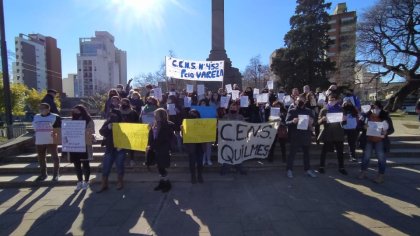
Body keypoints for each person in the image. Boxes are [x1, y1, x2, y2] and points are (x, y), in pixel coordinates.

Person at [358, 101, 391, 183]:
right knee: (366, 156)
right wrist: (363, 127)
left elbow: (391, 129)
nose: (375, 109)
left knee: (381, 157)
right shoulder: (366, 116)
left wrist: (386, 132)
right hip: (368, 139)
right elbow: (358, 126)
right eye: (373, 107)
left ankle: (381, 175)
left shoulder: (385, 116)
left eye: (377, 108)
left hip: (380, 140)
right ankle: (363, 172)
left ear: (380, 108)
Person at [285, 94, 317, 178]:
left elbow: (314, 122)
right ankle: (289, 170)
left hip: (306, 135)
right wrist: (293, 121)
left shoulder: (309, 111)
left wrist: (312, 122)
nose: (300, 102)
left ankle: (307, 170)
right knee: (292, 154)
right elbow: (286, 122)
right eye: (298, 100)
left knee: (306, 154)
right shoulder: (292, 111)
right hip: (295, 136)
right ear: (295, 101)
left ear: (305, 101)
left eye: (302, 100)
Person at [318, 93, 348, 175]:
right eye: (330, 100)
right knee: (324, 151)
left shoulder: (341, 109)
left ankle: (341, 167)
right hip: (328, 133)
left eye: (333, 100)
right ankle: (321, 166)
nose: (331, 101)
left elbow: (344, 123)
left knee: (340, 152)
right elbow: (318, 122)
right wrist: (322, 119)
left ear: (337, 100)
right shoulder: (324, 109)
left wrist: (344, 119)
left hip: (338, 134)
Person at [97, 109, 126, 192]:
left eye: (114, 115)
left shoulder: (123, 122)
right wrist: (108, 127)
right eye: (111, 115)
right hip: (109, 147)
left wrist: (123, 145)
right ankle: (104, 183)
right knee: (106, 166)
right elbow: (101, 132)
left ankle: (120, 182)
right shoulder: (108, 122)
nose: (112, 116)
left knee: (120, 166)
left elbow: (129, 135)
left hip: (120, 148)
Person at [147, 108, 175, 192]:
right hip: (154, 149)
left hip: (163, 149)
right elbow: (151, 136)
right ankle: (162, 182)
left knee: (162, 167)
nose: (155, 116)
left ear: (161, 115)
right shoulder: (154, 124)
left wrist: (168, 147)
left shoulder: (169, 124)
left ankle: (167, 183)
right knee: (159, 167)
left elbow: (169, 138)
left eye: (156, 114)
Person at [32, 103, 62, 181]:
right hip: (39, 140)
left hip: (51, 140)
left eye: (43, 108)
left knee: (55, 157)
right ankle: (43, 174)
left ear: (48, 109)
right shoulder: (36, 117)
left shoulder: (55, 116)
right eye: (40, 108)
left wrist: (56, 135)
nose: (41, 110)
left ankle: (56, 174)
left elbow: (59, 128)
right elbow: (34, 127)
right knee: (41, 158)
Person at [69, 105, 94, 191]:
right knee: (77, 165)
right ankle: (79, 181)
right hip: (74, 145)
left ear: (82, 111)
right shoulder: (71, 120)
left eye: (77, 111)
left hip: (85, 145)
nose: (75, 113)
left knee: (85, 164)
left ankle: (86, 182)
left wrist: (83, 132)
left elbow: (92, 130)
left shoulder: (88, 120)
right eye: (74, 111)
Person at [221, 102, 247, 175]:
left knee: (238, 154)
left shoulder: (240, 117)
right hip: (228, 139)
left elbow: (244, 126)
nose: (233, 109)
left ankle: (240, 168)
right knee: (227, 154)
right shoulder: (226, 116)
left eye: (235, 108)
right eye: (232, 107)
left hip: (237, 139)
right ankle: (225, 169)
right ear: (229, 108)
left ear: (237, 109)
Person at [183, 109, 205, 183]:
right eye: (191, 114)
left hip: (200, 146)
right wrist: (182, 130)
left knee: (200, 162)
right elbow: (183, 135)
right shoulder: (186, 123)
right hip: (191, 146)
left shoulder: (203, 123)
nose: (193, 116)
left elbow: (206, 133)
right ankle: (193, 176)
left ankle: (199, 175)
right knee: (192, 162)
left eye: (194, 114)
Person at [120, 98, 139, 167]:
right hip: (121, 131)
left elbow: (137, 121)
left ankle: (131, 159)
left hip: (131, 130)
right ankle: (122, 160)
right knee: (121, 146)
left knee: (131, 146)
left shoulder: (133, 112)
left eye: (125, 103)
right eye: (122, 103)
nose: (123, 104)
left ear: (128, 104)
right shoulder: (118, 111)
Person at [342, 97, 360, 162]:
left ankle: (352, 156)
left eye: (349, 102)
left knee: (352, 143)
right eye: (346, 102)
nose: (348, 103)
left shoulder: (354, 110)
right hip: (343, 128)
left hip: (353, 128)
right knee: (340, 142)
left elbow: (358, 117)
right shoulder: (342, 109)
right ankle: (341, 154)